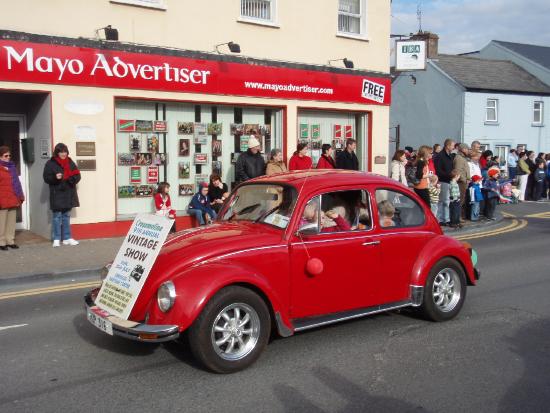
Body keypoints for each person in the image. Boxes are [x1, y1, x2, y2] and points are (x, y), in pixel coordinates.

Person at [43, 143, 81, 247]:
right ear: (57, 153)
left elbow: (77, 175)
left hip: (68, 193)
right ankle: (56, 238)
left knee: (66, 216)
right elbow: (46, 178)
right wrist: (55, 177)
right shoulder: (51, 163)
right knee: (57, 216)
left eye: (65, 152)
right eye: (61, 152)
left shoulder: (70, 162)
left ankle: (67, 238)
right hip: (57, 193)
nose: (63, 154)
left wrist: (70, 178)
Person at [0, 146, 25, 250]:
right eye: (6, 155)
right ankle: (1, 242)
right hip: (3, 198)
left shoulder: (12, 167)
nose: (8, 157)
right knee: (2, 221)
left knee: (11, 221)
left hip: (13, 197)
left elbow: (17, 183)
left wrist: (20, 195)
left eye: (9, 155)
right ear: (0, 156)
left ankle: (10, 240)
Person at [434, 138, 455, 226]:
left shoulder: (449, 155)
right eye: (453, 146)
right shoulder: (440, 156)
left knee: (447, 201)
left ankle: (446, 219)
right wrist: (450, 175)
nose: (453, 147)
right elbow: (438, 171)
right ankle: (440, 220)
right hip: (443, 181)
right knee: (442, 201)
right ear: (448, 146)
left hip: (449, 180)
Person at [453, 143, 471, 219]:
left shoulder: (462, 158)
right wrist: (464, 180)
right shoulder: (459, 158)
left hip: (464, 182)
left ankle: (460, 217)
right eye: (467, 149)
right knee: (460, 201)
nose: (468, 151)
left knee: (462, 200)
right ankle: (458, 217)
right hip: (461, 183)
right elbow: (458, 171)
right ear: (463, 149)